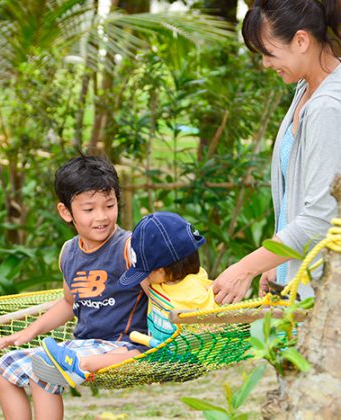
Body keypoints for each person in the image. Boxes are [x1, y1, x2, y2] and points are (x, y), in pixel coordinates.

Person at [0, 155, 148, 420]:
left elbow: (161, 291)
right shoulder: (69, 252)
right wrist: (28, 333)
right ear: (66, 212)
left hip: (123, 345)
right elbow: (68, 302)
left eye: (109, 206)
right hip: (83, 345)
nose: (101, 217)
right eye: (89, 209)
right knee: (3, 369)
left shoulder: (129, 248)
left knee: (46, 367)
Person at [213, 0, 341, 304]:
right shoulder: (305, 90)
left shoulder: (328, 108)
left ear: (300, 40)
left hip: (323, 294)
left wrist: (245, 268)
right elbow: (295, 199)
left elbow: (320, 219)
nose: (266, 64)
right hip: (298, 279)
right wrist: (276, 262)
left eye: (269, 53)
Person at [31, 211, 219, 387]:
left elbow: (211, 323)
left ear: (161, 270)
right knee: (123, 352)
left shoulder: (193, 291)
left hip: (180, 357)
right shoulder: (167, 283)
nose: (144, 279)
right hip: (157, 347)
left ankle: (81, 364)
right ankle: (77, 367)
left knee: (133, 354)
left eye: (145, 272)